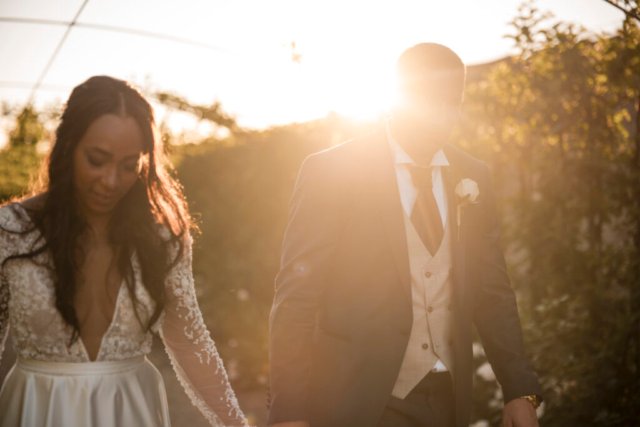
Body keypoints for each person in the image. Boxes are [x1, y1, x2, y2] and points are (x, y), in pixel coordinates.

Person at [268, 43, 543, 427]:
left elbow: (492, 289)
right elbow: (297, 295)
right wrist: (289, 411)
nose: (444, 114)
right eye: (431, 100)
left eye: (453, 101)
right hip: (358, 400)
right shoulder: (332, 170)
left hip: (447, 400)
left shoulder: (472, 174)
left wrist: (519, 390)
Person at [0, 76, 248, 427]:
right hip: (38, 410)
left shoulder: (161, 238)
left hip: (131, 410)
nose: (111, 181)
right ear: (67, 146)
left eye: (129, 165)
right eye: (97, 160)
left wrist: (236, 424)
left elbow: (191, 343)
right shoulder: (10, 230)